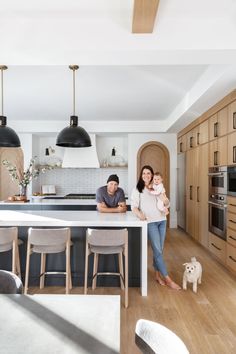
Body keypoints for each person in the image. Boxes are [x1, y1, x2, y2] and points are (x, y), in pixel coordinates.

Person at [131, 165, 181, 290]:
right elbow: (133, 206)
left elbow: (167, 202)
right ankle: (168, 279)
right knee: (158, 251)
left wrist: (165, 201)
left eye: (148, 173)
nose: (146, 175)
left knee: (159, 250)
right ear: (141, 175)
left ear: (152, 175)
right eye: (144, 173)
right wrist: (140, 214)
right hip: (150, 222)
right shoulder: (138, 189)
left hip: (162, 220)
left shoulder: (157, 187)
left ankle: (157, 275)